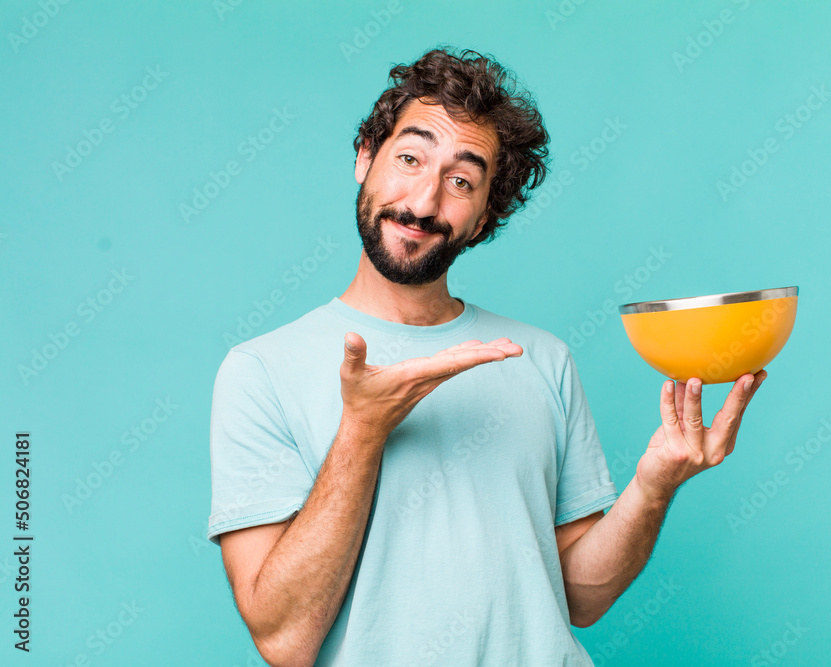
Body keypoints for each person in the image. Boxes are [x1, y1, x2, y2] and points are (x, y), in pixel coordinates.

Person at [207, 46, 765, 667]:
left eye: (462, 181)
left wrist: (654, 487)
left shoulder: (542, 358)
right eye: (410, 158)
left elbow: (578, 597)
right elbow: (284, 640)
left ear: (482, 219)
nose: (422, 203)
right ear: (366, 159)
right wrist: (363, 430)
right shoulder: (259, 371)